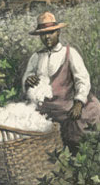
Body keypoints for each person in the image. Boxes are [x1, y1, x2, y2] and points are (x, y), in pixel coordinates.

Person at [22, 11, 100, 153]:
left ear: (58, 32)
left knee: (81, 127)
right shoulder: (36, 57)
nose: (47, 37)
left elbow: (82, 79)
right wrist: (28, 81)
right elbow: (27, 77)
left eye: (51, 32)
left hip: (67, 105)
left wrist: (78, 103)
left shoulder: (69, 53)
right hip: (45, 108)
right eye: (43, 34)